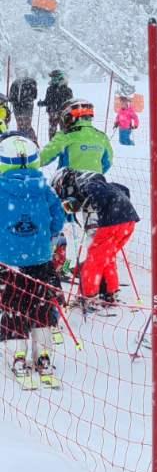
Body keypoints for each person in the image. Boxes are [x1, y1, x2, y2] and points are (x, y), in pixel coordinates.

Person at [0, 135, 67, 385]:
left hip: (8, 262)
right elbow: (58, 220)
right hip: (40, 258)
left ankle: (19, 355)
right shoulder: (44, 188)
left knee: (14, 307)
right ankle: (44, 356)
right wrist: (44, 236)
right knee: (40, 306)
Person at [53, 170, 139, 310]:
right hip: (129, 221)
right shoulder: (106, 185)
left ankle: (89, 297)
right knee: (107, 257)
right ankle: (110, 292)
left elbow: (91, 193)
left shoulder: (87, 185)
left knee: (93, 261)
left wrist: (84, 201)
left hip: (111, 223)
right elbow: (125, 190)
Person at [40, 101, 112, 174]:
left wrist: (29, 162)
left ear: (71, 118)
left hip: (69, 182)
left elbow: (43, 157)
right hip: (96, 182)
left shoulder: (65, 136)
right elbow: (108, 163)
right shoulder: (102, 137)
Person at [42, 70, 73, 140]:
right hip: (52, 112)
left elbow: (70, 102)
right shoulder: (50, 89)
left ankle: (63, 145)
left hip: (63, 113)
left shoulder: (67, 90)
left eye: (53, 77)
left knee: (64, 130)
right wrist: (42, 103)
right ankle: (52, 145)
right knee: (52, 130)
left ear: (59, 77)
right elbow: (48, 101)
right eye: (51, 77)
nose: (52, 79)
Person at [8, 74, 37, 140]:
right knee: (22, 125)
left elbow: (34, 95)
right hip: (20, 107)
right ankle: (22, 140)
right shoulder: (16, 83)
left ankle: (32, 141)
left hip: (24, 107)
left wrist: (14, 100)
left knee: (25, 125)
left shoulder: (29, 83)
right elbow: (34, 95)